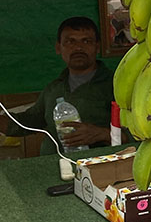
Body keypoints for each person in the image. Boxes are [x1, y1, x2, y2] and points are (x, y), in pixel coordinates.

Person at [2, 17, 114, 154]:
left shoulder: (115, 85)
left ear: (97, 47)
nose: (78, 47)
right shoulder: (53, 89)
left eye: (86, 41)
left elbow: (139, 133)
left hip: (100, 171)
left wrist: (102, 134)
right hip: (54, 169)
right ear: (58, 48)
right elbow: (29, 122)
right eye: (70, 41)